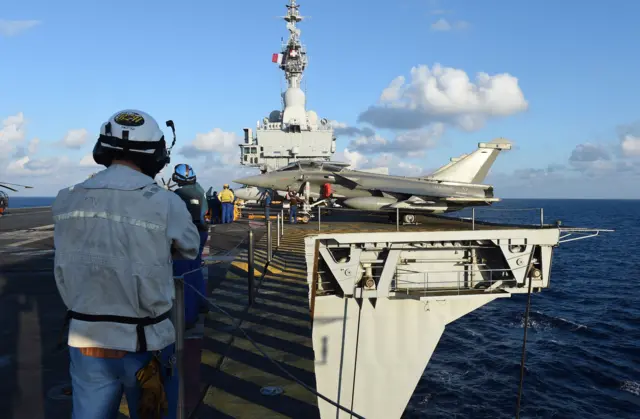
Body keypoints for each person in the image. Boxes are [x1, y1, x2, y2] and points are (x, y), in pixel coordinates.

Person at [52, 109, 200, 419]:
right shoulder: (165, 201)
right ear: (156, 153)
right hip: (145, 342)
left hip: (85, 338)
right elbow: (189, 249)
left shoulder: (66, 198)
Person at [171, 163, 210, 326]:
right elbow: (204, 212)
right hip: (200, 232)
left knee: (182, 276)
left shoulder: (177, 194)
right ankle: (201, 304)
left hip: (184, 234)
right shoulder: (200, 190)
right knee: (195, 269)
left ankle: (187, 317)